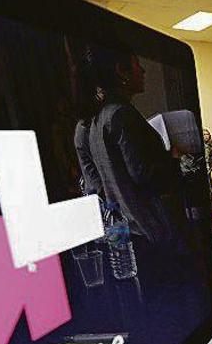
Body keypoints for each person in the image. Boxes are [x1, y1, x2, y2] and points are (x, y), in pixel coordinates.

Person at [73, 44, 180, 244]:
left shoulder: (98, 118)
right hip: (146, 225)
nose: (143, 70)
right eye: (137, 64)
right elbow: (144, 175)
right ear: (121, 71)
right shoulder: (120, 114)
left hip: (125, 226)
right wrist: (173, 158)